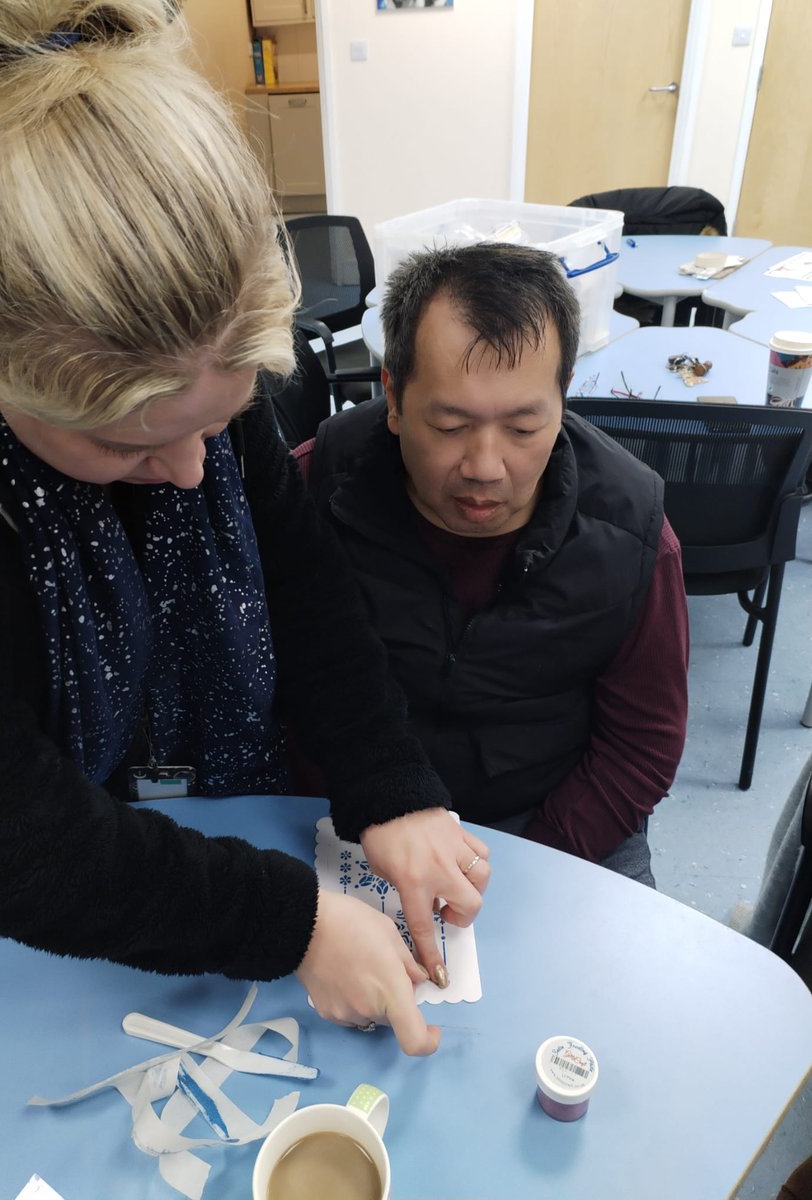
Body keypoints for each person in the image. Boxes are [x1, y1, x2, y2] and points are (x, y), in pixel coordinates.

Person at [0, 0, 490, 1078]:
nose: (188, 474)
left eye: (217, 428)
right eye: (133, 449)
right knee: (30, 1081)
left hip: (184, 827)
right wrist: (295, 924)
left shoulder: (196, 366)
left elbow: (298, 569)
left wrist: (391, 783)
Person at [295, 243, 689, 885]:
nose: (485, 467)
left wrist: (522, 869)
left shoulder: (632, 536)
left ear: (563, 400)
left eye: (524, 427)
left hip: (550, 824)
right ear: (392, 396)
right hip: (345, 818)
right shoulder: (312, 493)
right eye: (449, 425)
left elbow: (641, 746)